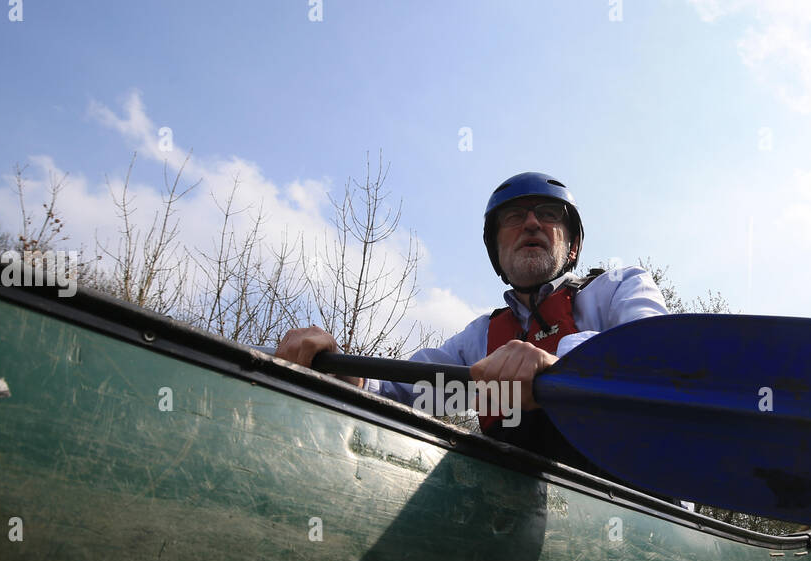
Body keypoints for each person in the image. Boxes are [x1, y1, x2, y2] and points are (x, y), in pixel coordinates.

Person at [274, 171, 668, 472]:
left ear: (573, 246)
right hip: (520, 509)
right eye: (513, 217)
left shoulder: (620, 287)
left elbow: (660, 359)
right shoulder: (480, 339)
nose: (531, 223)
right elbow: (404, 391)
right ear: (497, 252)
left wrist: (556, 364)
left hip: (638, 495)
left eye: (549, 214)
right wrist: (342, 372)